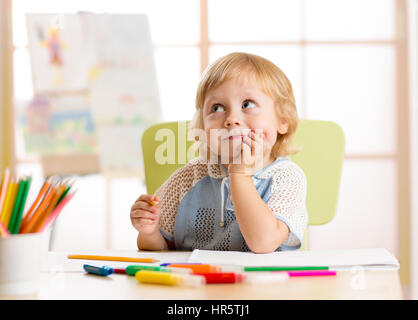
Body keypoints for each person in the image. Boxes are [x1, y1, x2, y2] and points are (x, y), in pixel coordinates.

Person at [130, 52, 308, 253]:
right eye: (217, 108)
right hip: (198, 281)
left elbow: (263, 243)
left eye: (247, 104)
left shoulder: (287, 179)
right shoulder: (189, 178)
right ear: (203, 126)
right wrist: (149, 231)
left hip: (262, 283)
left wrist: (239, 174)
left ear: (283, 120)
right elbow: (160, 248)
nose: (232, 119)